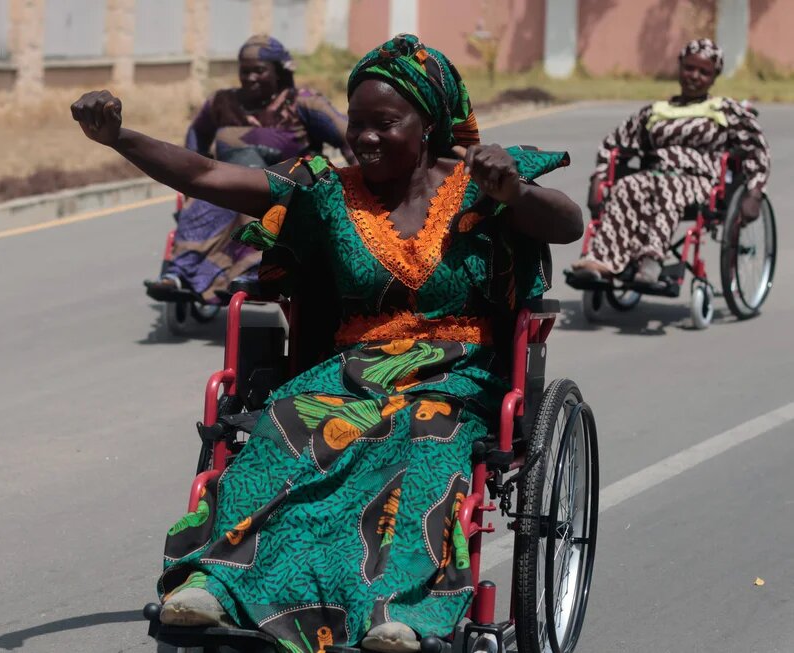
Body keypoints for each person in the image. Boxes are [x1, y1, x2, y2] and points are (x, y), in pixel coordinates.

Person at [72, 34, 582, 653]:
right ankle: (217, 584)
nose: (365, 138)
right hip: (352, 367)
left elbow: (568, 222)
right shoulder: (327, 192)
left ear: (427, 126)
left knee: (424, 434)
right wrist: (119, 138)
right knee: (287, 423)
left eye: (384, 124)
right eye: (356, 123)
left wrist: (515, 193)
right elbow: (206, 174)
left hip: (456, 372)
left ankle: (399, 614)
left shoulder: (480, 182)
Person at [145, 34, 357, 304]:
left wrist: (358, 183)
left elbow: (348, 137)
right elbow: (197, 134)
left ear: (278, 71)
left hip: (285, 192)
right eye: (244, 71)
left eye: (259, 71)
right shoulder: (221, 103)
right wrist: (192, 174)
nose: (250, 78)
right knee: (204, 198)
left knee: (257, 201)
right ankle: (178, 275)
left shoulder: (304, 103)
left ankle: (250, 273)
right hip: (226, 185)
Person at [571, 38, 770, 285]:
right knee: (625, 186)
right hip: (656, 173)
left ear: (714, 77)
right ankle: (602, 260)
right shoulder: (656, 111)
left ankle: (651, 259)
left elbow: (756, 148)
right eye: (689, 68)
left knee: (669, 188)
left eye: (704, 72)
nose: (694, 76)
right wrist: (598, 178)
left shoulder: (724, 109)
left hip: (699, 180)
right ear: (680, 67)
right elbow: (613, 143)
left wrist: (755, 192)